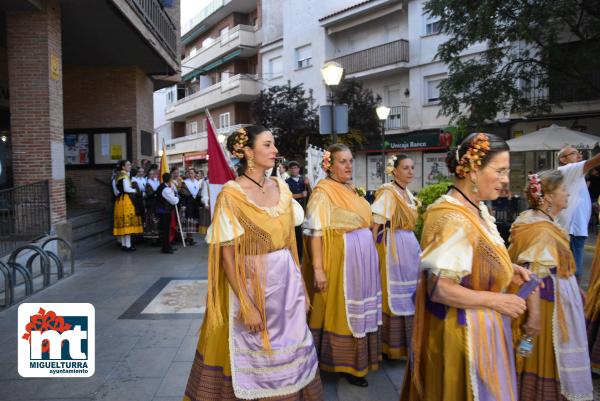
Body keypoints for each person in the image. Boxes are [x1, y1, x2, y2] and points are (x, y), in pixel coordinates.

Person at [183, 126, 321, 401]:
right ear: (248, 151)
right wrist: (246, 304)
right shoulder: (231, 195)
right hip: (252, 286)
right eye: (268, 145)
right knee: (254, 357)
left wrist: (302, 289)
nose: (275, 151)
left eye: (274, 145)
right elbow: (227, 256)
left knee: (290, 354)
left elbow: (291, 244)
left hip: (286, 285)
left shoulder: (282, 189)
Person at [401, 133, 531, 401]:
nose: (506, 179)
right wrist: (497, 300)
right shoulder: (453, 219)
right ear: (473, 170)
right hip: (464, 334)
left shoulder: (475, 208)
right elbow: (441, 290)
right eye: (501, 171)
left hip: (479, 326)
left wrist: (506, 269)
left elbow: (473, 258)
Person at [508, 170, 593, 401]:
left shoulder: (536, 220)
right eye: (563, 190)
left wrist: (575, 289)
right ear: (548, 197)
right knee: (544, 351)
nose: (567, 194)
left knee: (539, 352)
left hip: (557, 295)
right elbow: (533, 273)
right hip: (546, 303)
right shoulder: (541, 228)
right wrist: (534, 316)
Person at [303, 143, 381, 387]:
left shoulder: (348, 189)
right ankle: (342, 363)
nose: (348, 166)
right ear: (330, 165)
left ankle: (357, 361)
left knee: (358, 308)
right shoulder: (323, 192)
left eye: (350, 161)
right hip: (341, 260)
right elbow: (314, 231)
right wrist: (318, 269)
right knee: (341, 309)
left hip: (360, 261)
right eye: (342, 161)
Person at [371, 154, 421, 360]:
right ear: (395, 170)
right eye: (406, 168)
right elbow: (375, 225)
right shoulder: (389, 192)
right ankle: (390, 346)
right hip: (394, 247)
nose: (410, 171)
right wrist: (373, 253)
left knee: (411, 291)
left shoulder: (407, 193)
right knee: (394, 292)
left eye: (411, 167)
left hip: (410, 246)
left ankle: (406, 344)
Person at [555, 146, 600, 280]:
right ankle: (573, 298)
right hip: (572, 229)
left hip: (575, 228)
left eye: (579, 153)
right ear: (563, 159)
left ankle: (572, 297)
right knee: (575, 271)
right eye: (574, 153)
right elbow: (595, 161)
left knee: (571, 270)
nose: (579, 156)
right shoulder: (569, 169)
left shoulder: (575, 173)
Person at [113, 160, 143, 251]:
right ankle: (128, 246)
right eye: (128, 165)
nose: (130, 166)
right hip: (126, 200)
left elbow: (117, 191)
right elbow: (126, 189)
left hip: (119, 200)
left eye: (130, 164)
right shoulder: (125, 175)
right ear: (123, 167)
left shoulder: (117, 175)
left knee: (122, 222)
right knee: (127, 222)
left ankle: (123, 244)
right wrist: (135, 190)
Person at [285, 160, 310, 260]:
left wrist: (308, 184)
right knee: (297, 232)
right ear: (289, 170)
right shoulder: (287, 182)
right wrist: (300, 195)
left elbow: (311, 193)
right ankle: (298, 254)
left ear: (299, 169)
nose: (293, 170)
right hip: (295, 211)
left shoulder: (304, 180)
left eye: (295, 168)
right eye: (291, 168)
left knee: (306, 231)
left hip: (305, 208)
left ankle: (307, 252)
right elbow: (287, 195)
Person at [156, 172, 179, 254]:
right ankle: (165, 248)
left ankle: (167, 246)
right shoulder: (165, 189)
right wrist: (176, 197)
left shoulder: (165, 187)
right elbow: (173, 201)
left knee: (166, 230)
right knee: (165, 230)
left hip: (164, 211)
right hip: (164, 212)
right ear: (169, 180)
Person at [180, 168, 202, 246]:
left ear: (195, 174)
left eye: (192, 173)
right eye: (189, 173)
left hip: (195, 204)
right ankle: (188, 238)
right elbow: (182, 195)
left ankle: (190, 238)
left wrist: (200, 205)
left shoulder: (198, 182)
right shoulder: (185, 183)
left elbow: (199, 194)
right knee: (188, 220)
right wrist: (183, 205)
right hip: (188, 203)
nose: (190, 174)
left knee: (193, 221)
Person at [143, 167, 161, 244]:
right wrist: (157, 192)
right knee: (152, 221)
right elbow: (149, 193)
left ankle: (158, 238)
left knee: (157, 221)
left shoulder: (158, 181)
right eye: (151, 174)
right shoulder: (148, 183)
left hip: (158, 204)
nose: (153, 175)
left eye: (154, 173)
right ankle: (153, 240)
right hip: (151, 204)